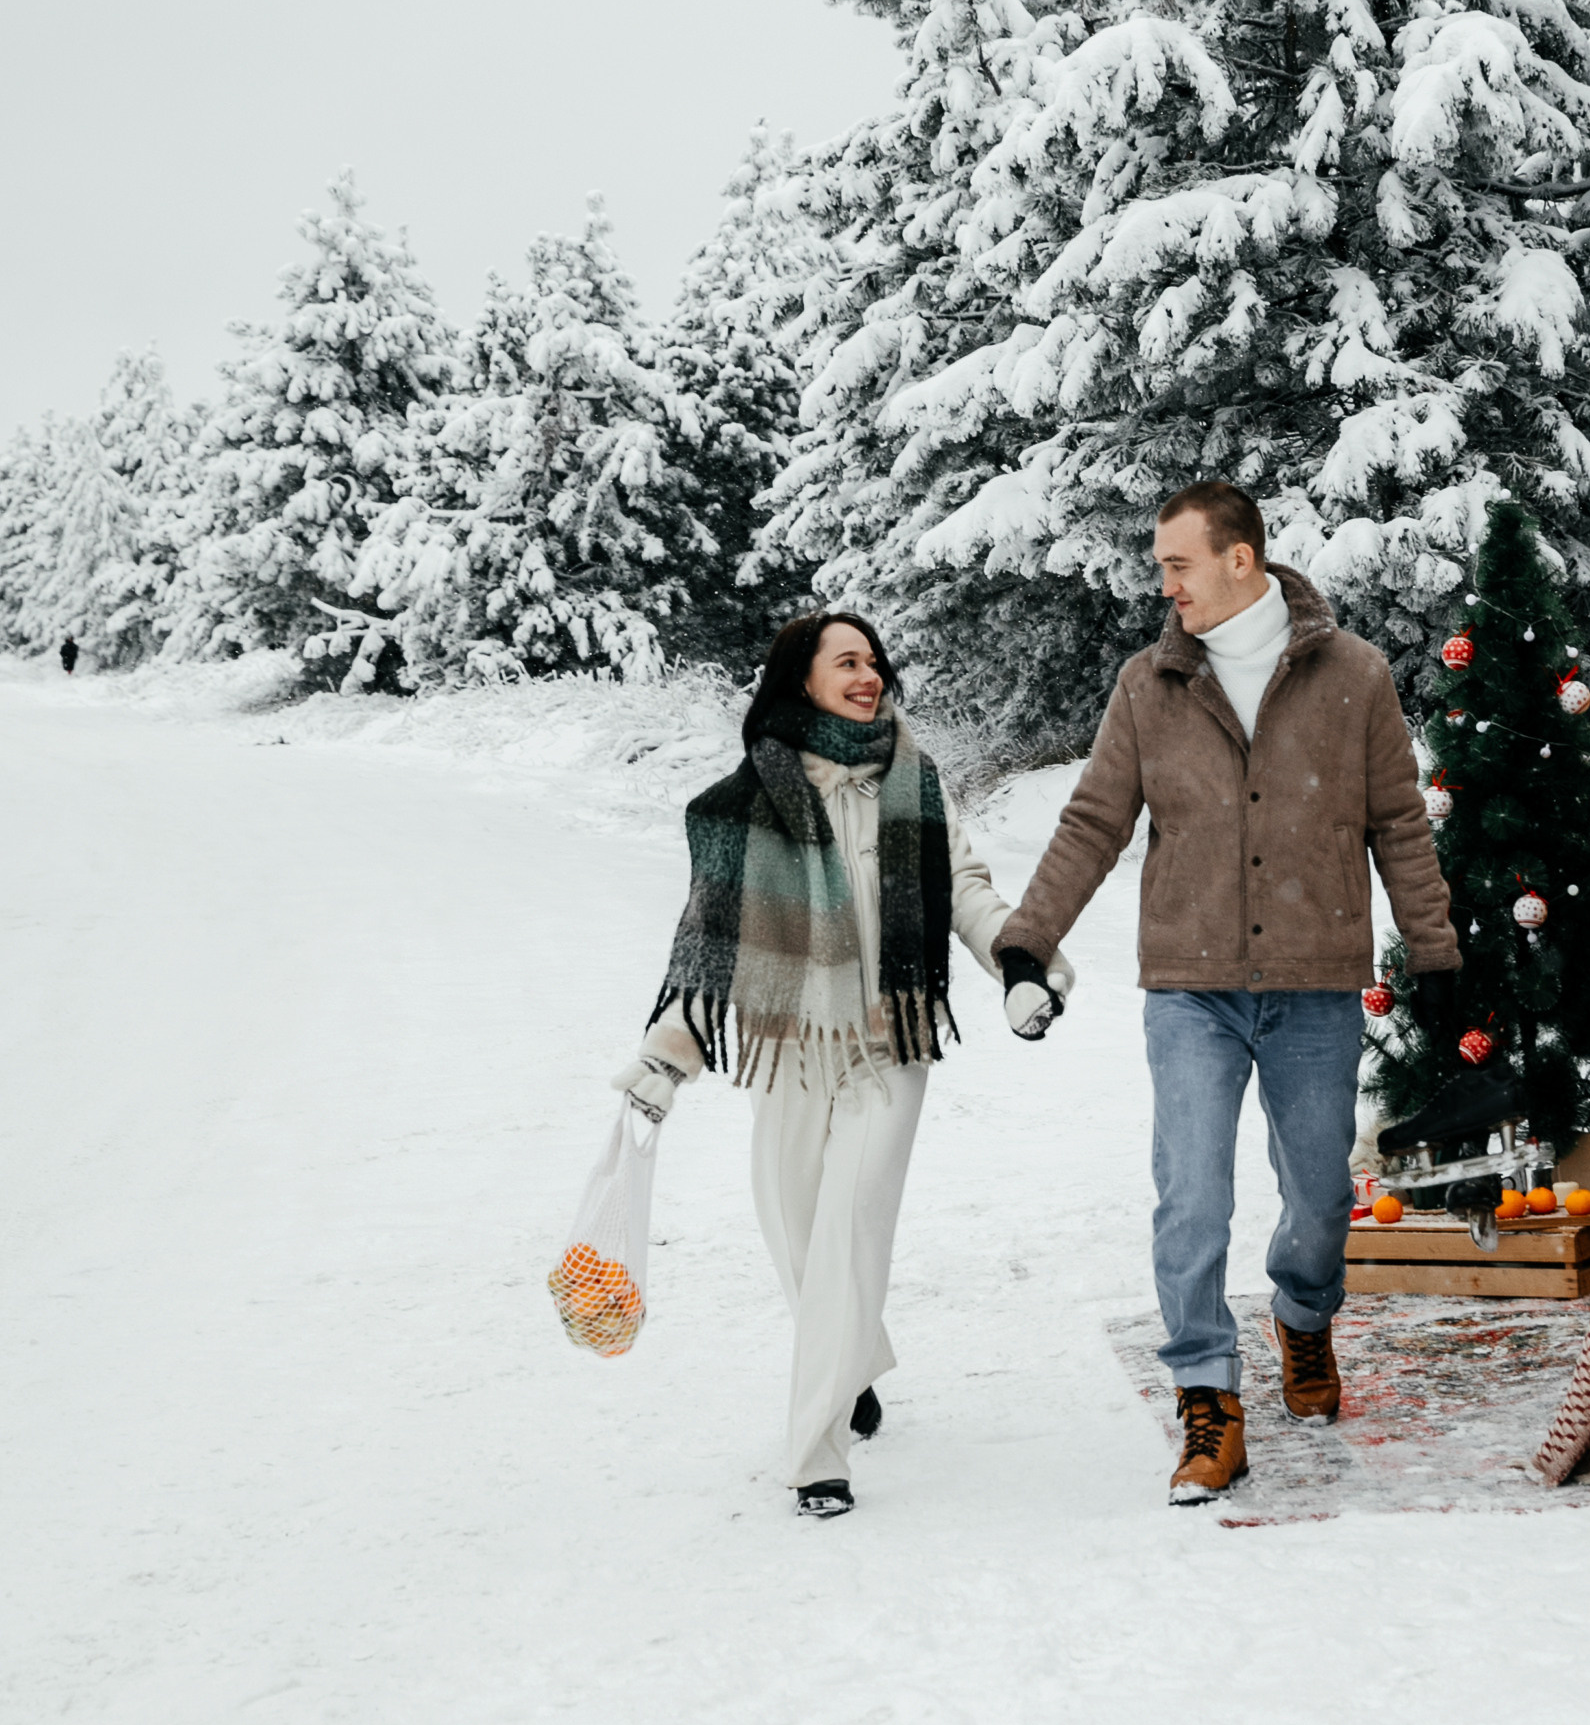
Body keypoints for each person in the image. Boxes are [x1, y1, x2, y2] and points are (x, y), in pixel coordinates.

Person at [990, 482, 1461, 1504]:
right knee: (1191, 1195)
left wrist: (1436, 952)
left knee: (1319, 1200)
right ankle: (1206, 1396)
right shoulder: (1149, 683)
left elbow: (1398, 824)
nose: (1164, 584)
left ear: (1239, 559)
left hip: (1315, 982)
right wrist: (1026, 940)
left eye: (1177, 564)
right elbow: (1090, 823)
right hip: (1192, 987)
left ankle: (1302, 1313)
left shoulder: (1353, 676)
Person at [614, 610, 1073, 1519]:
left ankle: (815, 1448)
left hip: (886, 1044)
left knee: (847, 1235)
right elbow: (713, 946)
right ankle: (854, 1356)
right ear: (802, 681)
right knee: (793, 1228)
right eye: (848, 663)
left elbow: (969, 893)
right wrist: (666, 1061)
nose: (870, 678)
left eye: (875, 663)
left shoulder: (915, 784)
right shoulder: (749, 800)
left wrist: (1022, 966)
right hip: (788, 1049)